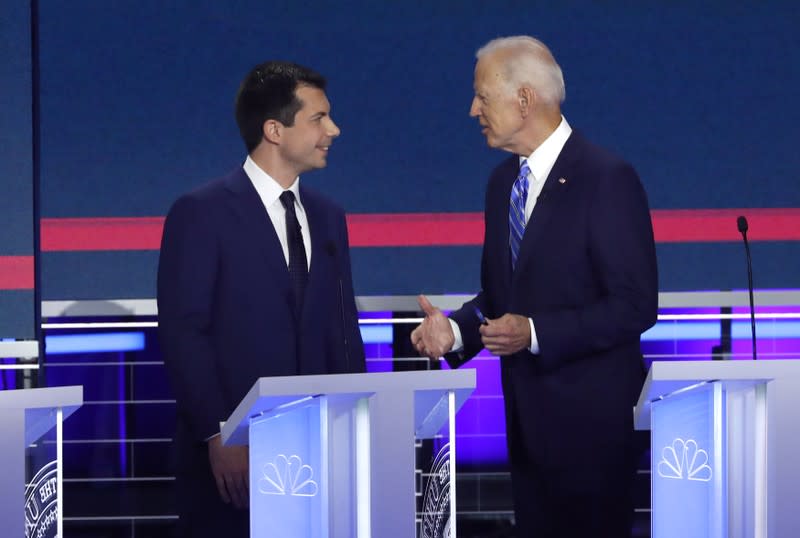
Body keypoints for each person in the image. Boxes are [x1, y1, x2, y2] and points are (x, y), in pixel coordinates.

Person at [411, 36, 658, 537]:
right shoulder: (502, 183)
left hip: (594, 436)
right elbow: (502, 300)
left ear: (524, 99)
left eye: (482, 96)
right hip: (527, 432)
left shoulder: (606, 178)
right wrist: (455, 333)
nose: (472, 109)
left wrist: (536, 332)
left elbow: (634, 305)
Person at [157, 61, 365, 537]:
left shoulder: (329, 217)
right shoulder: (201, 213)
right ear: (275, 129)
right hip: (236, 462)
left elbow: (342, 328)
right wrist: (219, 431)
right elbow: (185, 331)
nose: (333, 129)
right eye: (318, 118)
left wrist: (360, 425)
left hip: (317, 456)